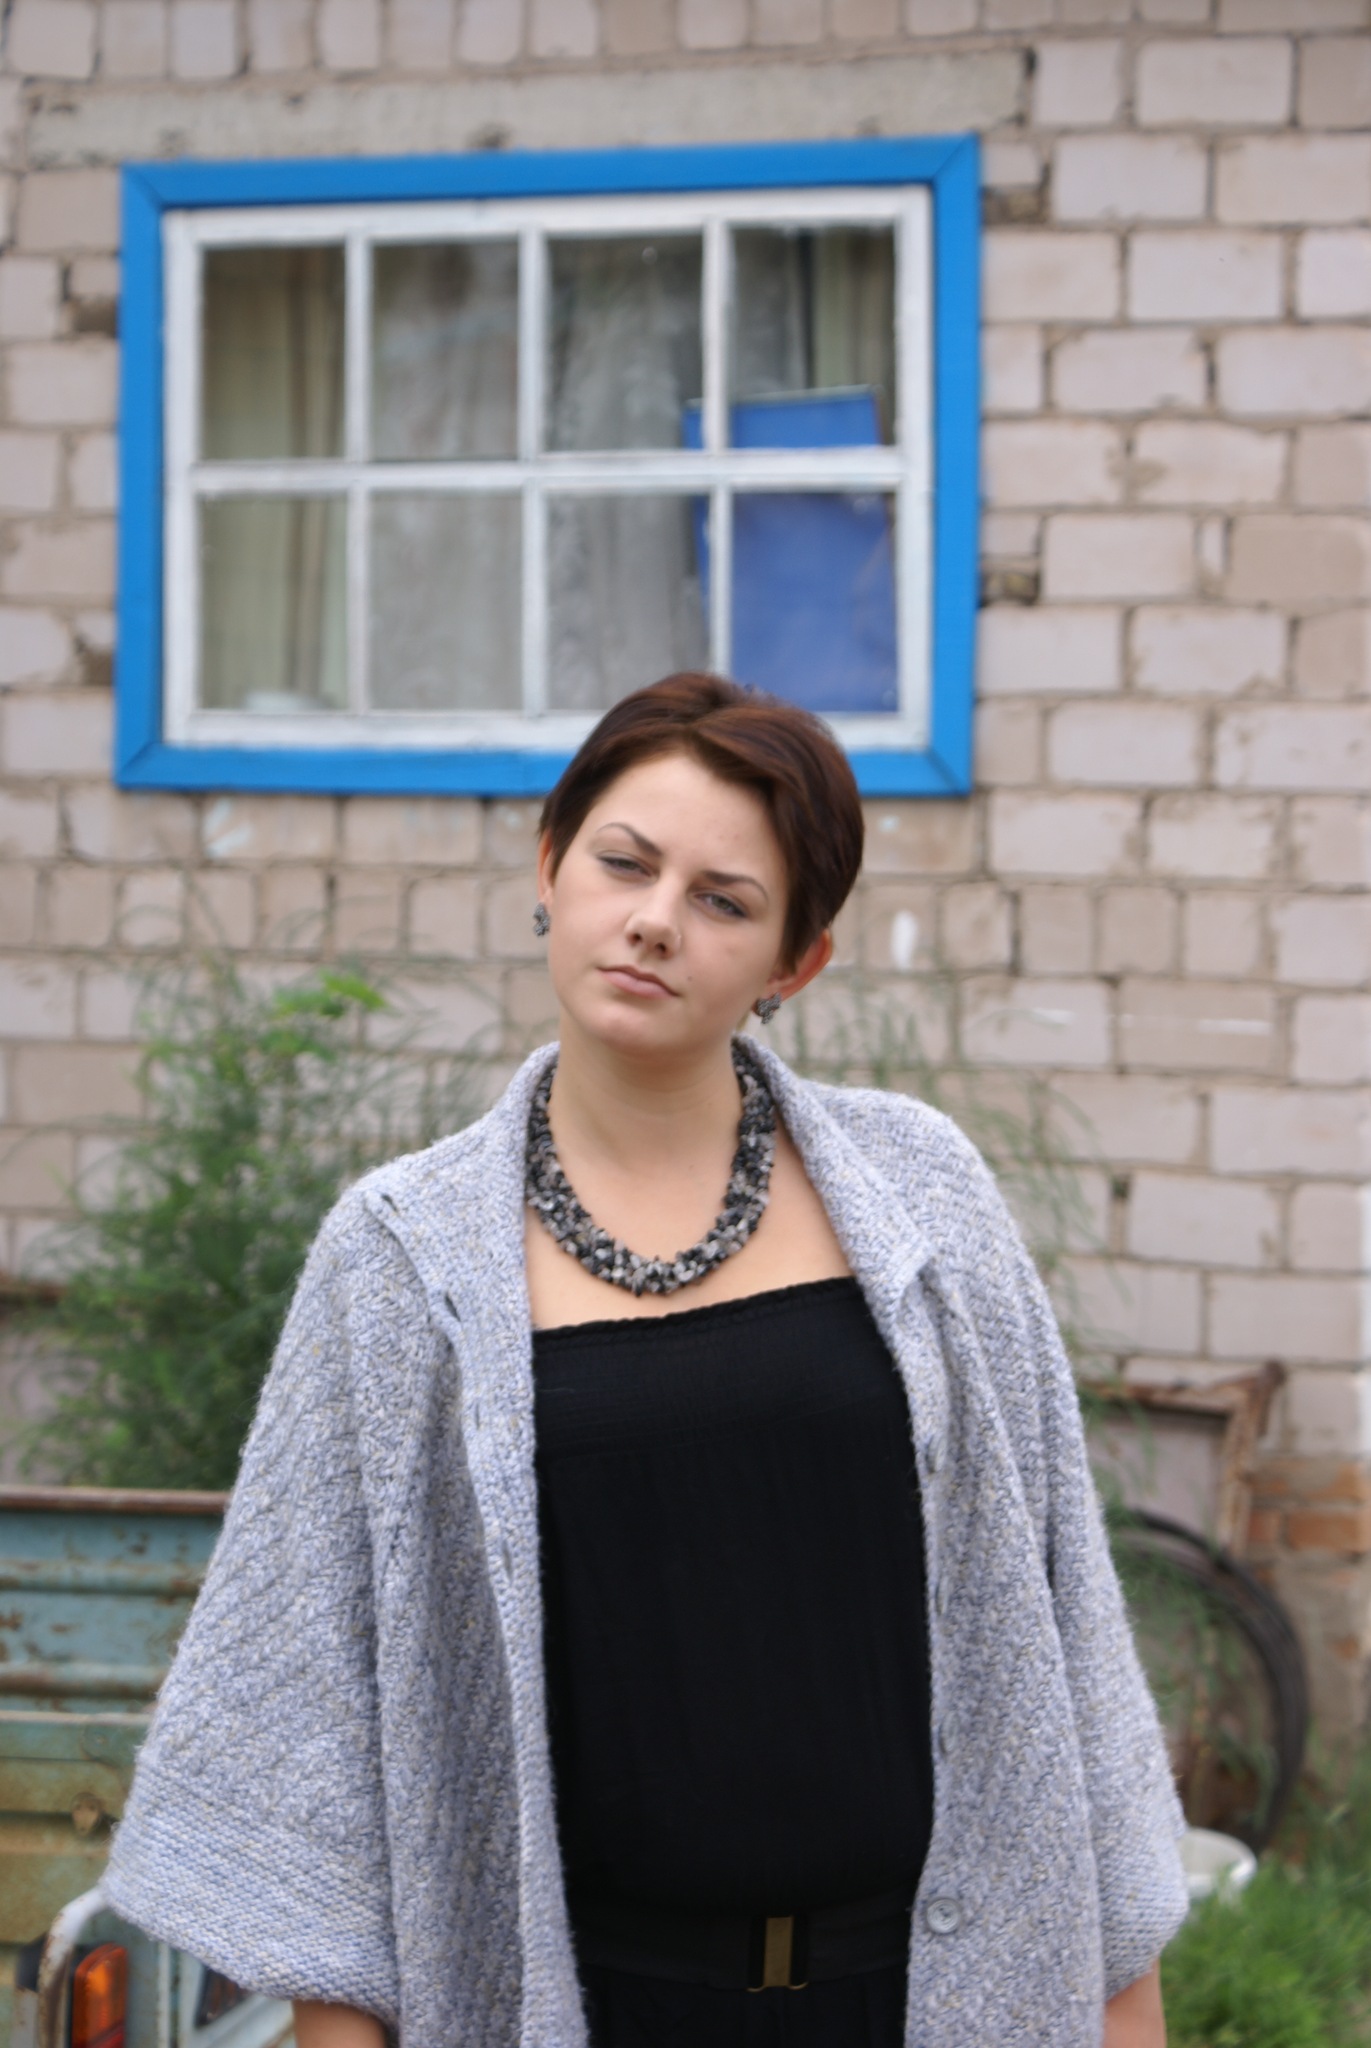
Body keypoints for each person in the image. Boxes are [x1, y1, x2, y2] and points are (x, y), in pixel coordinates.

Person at [105, 674, 1186, 2047]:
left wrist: (1124, 2010)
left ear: (796, 963)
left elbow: (1061, 1644)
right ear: (550, 865)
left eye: (725, 900)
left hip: (930, 1996)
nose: (657, 919)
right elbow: (316, 1726)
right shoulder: (402, 1258)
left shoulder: (922, 1197)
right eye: (625, 863)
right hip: (571, 2003)